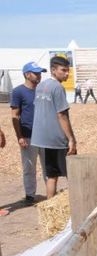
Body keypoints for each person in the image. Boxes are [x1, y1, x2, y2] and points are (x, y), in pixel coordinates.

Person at [31, 56, 77, 199]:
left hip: (42, 138)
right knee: (74, 173)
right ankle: (79, 203)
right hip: (57, 138)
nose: (67, 74)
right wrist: (71, 139)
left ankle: (50, 205)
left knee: (51, 175)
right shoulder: (58, 87)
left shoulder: (40, 86)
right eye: (63, 70)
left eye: (68, 71)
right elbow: (61, 115)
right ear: (53, 70)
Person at [10, 61, 48, 205]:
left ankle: (51, 194)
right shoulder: (18, 91)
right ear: (27, 74)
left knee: (48, 166)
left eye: (40, 73)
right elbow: (15, 115)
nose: (39, 76)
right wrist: (19, 136)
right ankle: (30, 195)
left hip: (45, 135)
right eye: (36, 73)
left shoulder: (44, 90)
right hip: (28, 135)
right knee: (29, 167)